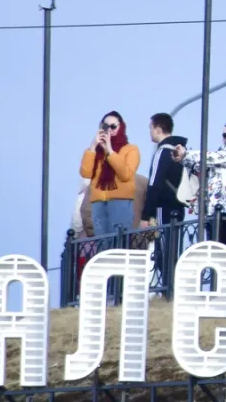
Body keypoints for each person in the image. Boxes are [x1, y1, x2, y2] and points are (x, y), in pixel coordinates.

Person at [78, 111, 139, 305]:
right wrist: (93, 146)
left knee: (119, 248)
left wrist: (111, 151)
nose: (109, 130)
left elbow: (125, 174)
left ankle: (121, 295)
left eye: (113, 126)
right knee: (103, 250)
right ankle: (107, 296)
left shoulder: (130, 149)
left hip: (119, 202)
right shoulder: (96, 153)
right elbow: (85, 172)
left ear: (121, 128)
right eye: (105, 126)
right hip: (98, 202)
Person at [139, 112, 189, 232]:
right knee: (173, 246)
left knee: (163, 247)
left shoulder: (162, 153)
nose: (150, 132)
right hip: (179, 205)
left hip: (164, 207)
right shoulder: (182, 152)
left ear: (158, 130)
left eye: (151, 128)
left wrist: (146, 215)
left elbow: (154, 184)